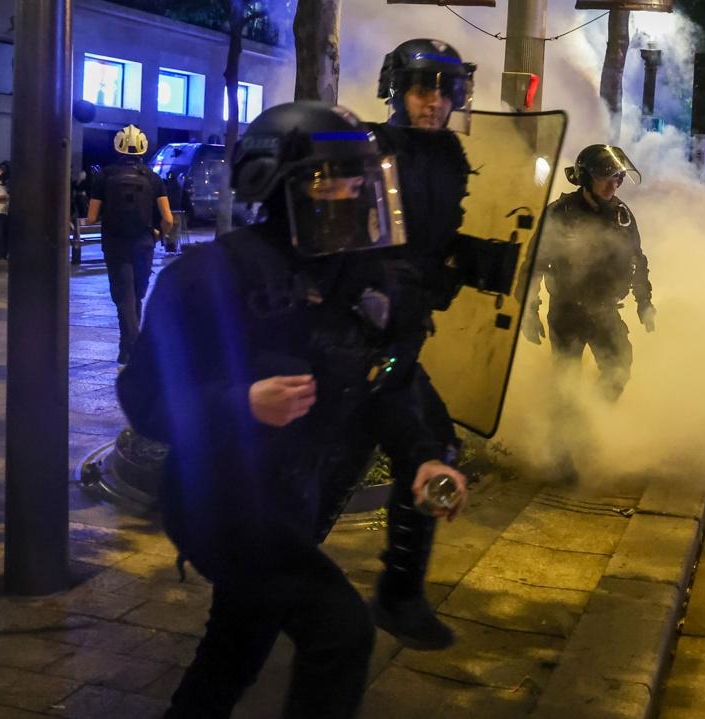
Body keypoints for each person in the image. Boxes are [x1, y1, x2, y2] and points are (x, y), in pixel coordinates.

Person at [116, 101, 467, 718]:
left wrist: (422, 459)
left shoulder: (361, 279)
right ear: (274, 182)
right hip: (218, 501)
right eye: (333, 177)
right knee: (340, 634)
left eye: (359, 178)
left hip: (290, 499)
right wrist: (240, 404)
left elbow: (386, 383)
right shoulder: (209, 277)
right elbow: (144, 400)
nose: (353, 192)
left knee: (236, 646)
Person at [310, 38, 477, 653]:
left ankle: (398, 593)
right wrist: (383, 283)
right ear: (397, 90)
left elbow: (435, 238)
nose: (435, 100)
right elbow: (335, 242)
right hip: (358, 336)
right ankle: (279, 580)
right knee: (344, 462)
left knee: (425, 448)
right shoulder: (366, 148)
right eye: (422, 87)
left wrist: (464, 259)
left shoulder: (452, 154)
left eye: (445, 88)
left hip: (402, 335)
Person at [522, 144, 653, 485]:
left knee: (619, 367)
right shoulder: (561, 213)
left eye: (619, 177)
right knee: (565, 381)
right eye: (606, 177)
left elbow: (638, 261)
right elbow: (534, 263)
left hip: (606, 309)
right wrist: (530, 311)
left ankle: (585, 424)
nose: (614, 184)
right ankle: (560, 456)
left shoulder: (622, 215)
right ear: (585, 177)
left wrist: (644, 303)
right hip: (567, 310)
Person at [86, 125, 172, 364]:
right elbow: (168, 219)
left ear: (118, 146)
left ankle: (131, 349)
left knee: (124, 297)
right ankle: (128, 349)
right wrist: (156, 234)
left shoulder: (105, 176)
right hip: (144, 243)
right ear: (143, 147)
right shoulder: (153, 178)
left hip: (115, 243)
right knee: (137, 296)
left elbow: (91, 217)